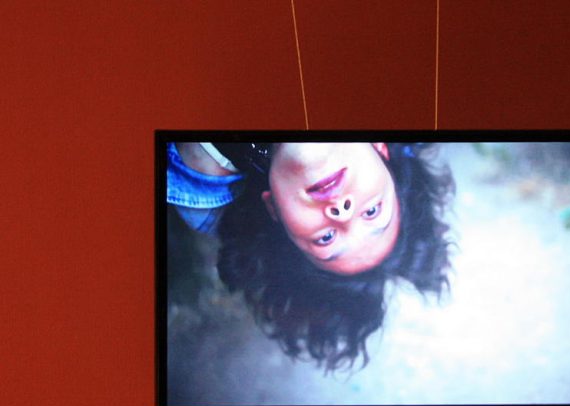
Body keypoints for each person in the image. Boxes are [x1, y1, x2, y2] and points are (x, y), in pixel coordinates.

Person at [167, 140, 454, 371]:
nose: (342, 214)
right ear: (380, 150)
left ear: (275, 209)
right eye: (371, 211)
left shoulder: (198, 170)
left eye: (326, 238)